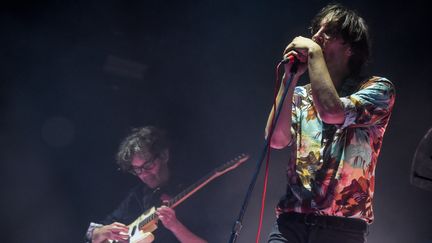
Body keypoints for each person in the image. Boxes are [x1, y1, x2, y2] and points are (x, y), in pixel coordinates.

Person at [265, 3, 395, 243]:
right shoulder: (301, 95)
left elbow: (332, 113)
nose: (315, 37)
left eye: (328, 32)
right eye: (316, 30)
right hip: (291, 225)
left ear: (351, 47)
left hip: (342, 230)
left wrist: (313, 53)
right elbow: (275, 140)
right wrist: (289, 79)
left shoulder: (378, 89)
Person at [85, 126, 207, 243]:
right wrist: (99, 233)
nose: (144, 174)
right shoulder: (137, 195)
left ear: (164, 155)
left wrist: (175, 226)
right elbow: (97, 229)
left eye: (148, 166)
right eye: (137, 170)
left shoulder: (192, 192)